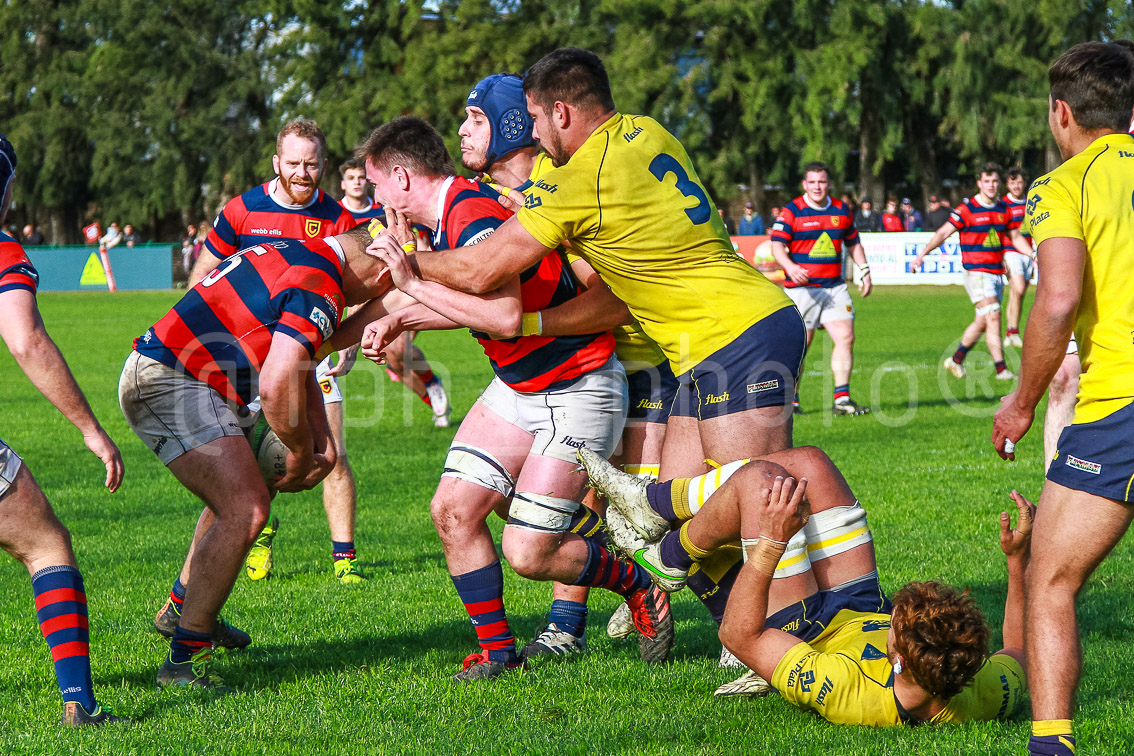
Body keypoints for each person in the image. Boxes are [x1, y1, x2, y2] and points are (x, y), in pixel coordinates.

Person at [342, 116, 674, 679]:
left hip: (578, 387)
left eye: (376, 183)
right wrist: (353, 334)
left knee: (529, 553)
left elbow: (502, 316)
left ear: (400, 177)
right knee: (453, 510)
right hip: (520, 388)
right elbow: (437, 295)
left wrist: (411, 291)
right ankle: (499, 655)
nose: (374, 195)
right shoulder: (451, 215)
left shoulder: (469, 215)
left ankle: (638, 583)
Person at [403, 48, 804, 481]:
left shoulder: (573, 180)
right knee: (678, 517)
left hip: (718, 337)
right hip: (704, 340)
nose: (535, 134)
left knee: (757, 500)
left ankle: (829, 517)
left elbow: (484, 269)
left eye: (535, 118)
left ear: (559, 113)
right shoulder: (647, 129)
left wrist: (409, 261)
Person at [120, 223, 394, 689]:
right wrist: (302, 449)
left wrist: (317, 443)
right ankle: (184, 660)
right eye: (389, 284)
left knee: (242, 495)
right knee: (246, 509)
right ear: (378, 273)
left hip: (191, 377)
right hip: (171, 380)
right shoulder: (321, 284)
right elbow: (274, 384)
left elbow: (300, 358)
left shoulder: (301, 254)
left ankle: (185, 611)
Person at [578, 446, 1030, 725]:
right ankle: (660, 530)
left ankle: (666, 552)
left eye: (900, 621)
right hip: (858, 603)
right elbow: (1021, 653)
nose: (898, 612)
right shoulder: (979, 687)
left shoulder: (844, 692)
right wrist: (1016, 561)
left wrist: (773, 542)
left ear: (898, 661)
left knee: (760, 484)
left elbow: (738, 635)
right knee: (810, 463)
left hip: (804, 627)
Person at [456, 72, 659, 661]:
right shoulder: (487, 201)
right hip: (550, 375)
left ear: (512, 124)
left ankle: (728, 628)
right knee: (501, 503)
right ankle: (550, 632)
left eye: (475, 118)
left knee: (645, 510)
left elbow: (613, 296)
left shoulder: (561, 184)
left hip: (635, 359)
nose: (462, 131)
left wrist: (525, 320)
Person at [991, 41, 1134, 756]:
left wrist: (1020, 404)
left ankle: (1052, 747)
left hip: (1121, 403)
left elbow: (1056, 303)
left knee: (1050, 577)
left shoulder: (1065, 184)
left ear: (1062, 112)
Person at [184, 119, 362, 586]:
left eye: (312, 164)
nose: (304, 173)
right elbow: (204, 271)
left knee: (332, 454)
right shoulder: (243, 210)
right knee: (245, 466)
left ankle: (345, 560)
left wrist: (352, 339)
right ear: (276, 163)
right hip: (246, 359)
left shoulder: (337, 217)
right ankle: (256, 534)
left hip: (311, 347)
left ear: (324, 163)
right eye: (294, 163)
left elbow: (355, 283)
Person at [0, 134, 127, 725]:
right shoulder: (3, 252)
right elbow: (25, 340)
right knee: (46, 544)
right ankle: (78, 700)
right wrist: (90, 428)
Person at [336, 157, 451, 427]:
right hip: (363, 291)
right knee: (395, 358)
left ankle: (432, 388)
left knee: (398, 349)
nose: (356, 182)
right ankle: (430, 392)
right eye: (350, 178)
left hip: (399, 288)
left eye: (360, 177)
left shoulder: (386, 209)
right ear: (342, 183)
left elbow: (419, 242)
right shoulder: (338, 216)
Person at [912, 163, 1033, 381]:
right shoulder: (967, 210)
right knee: (994, 316)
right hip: (976, 272)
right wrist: (923, 254)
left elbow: (1015, 238)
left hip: (996, 272)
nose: (991, 185)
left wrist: (1033, 254)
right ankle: (1001, 369)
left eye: (994, 181)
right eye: (987, 181)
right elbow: (943, 233)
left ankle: (956, 360)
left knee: (982, 321)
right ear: (979, 183)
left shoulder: (1002, 209)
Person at [770, 162, 872, 416]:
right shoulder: (792, 211)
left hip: (834, 288)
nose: (817, 186)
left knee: (846, 337)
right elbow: (777, 246)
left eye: (822, 182)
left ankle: (842, 399)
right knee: (801, 345)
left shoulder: (841, 209)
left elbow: (854, 243)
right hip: (801, 290)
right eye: (812, 182)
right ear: (805, 184)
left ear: (829, 184)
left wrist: (864, 269)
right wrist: (790, 267)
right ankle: (790, 400)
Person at [1001, 168, 1034, 348]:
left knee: (1018, 294)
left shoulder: (1030, 203)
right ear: (1007, 184)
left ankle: (1011, 332)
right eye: (1012, 183)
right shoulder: (1003, 204)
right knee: (1019, 289)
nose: (1016, 186)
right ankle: (1012, 331)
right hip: (1010, 251)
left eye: (1019, 182)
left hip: (1027, 252)